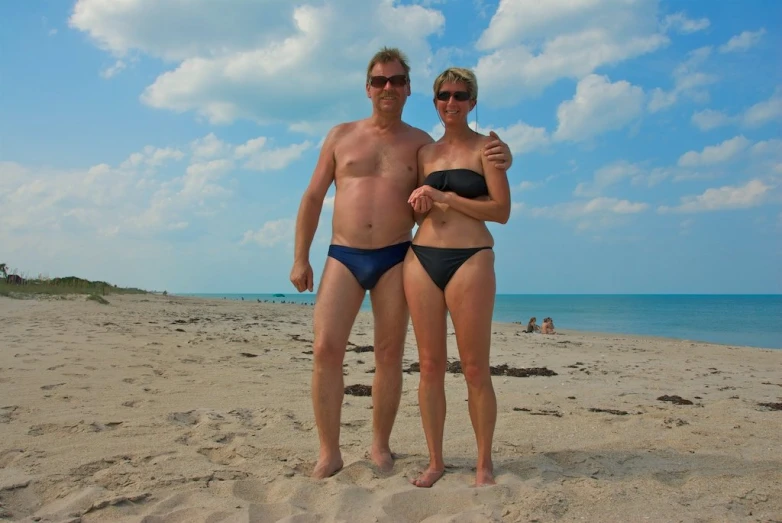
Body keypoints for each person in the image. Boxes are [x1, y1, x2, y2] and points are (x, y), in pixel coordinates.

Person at [289, 48, 512, 479]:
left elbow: (459, 165)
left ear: (408, 89)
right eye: (379, 81)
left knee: (390, 355)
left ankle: (380, 445)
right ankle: (328, 452)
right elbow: (313, 196)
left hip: (397, 254)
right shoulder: (340, 136)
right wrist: (301, 256)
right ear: (368, 87)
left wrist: (503, 158)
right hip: (343, 253)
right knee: (325, 349)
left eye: (395, 81)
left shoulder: (420, 146)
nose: (387, 88)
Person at [403, 67, 511, 488]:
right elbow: (415, 211)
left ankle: (484, 463)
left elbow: (501, 211)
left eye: (461, 95)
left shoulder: (490, 149)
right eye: (444, 95)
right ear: (435, 102)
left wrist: (448, 197)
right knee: (429, 366)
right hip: (421, 258)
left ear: (473, 101)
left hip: (471, 258)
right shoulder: (425, 154)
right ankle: (435, 461)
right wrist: (420, 202)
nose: (452, 102)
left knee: (474, 368)